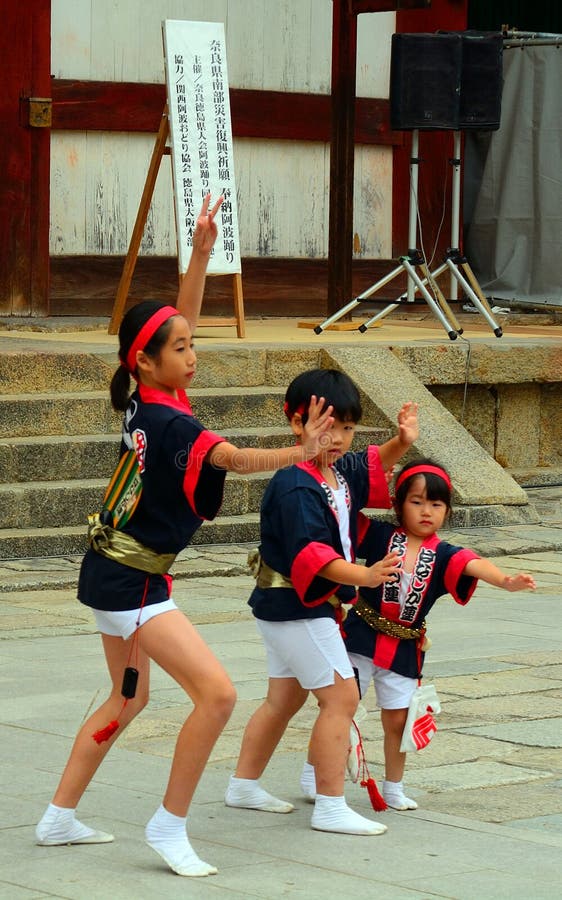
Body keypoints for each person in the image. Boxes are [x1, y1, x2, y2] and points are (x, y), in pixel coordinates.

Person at [34, 206, 335, 878]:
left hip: (113, 570)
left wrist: (199, 258)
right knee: (218, 695)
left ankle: (58, 817)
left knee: (127, 698)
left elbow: (174, 323)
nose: (192, 355)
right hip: (132, 581)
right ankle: (168, 826)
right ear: (145, 360)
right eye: (180, 349)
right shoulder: (172, 425)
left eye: (191, 344)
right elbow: (232, 459)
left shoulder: (143, 398)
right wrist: (301, 451)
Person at [224, 368, 419, 836]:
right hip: (297, 607)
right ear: (297, 423)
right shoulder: (295, 484)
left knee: (283, 699)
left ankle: (243, 785)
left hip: (285, 608)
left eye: (347, 428)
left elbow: (370, 464)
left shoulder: (334, 473)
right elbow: (314, 556)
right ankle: (330, 805)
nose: (338, 439)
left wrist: (401, 441)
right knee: (342, 698)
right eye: (326, 427)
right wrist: (365, 576)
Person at [341, 458, 537, 812]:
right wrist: (373, 483)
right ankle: (315, 776)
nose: (426, 511)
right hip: (360, 635)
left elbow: (473, 563)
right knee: (340, 707)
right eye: (416, 502)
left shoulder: (445, 554)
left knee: (399, 720)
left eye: (436, 504)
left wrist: (506, 581)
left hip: (404, 647)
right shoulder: (381, 536)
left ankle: (394, 787)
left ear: (447, 510)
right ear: (399, 504)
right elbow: (345, 514)